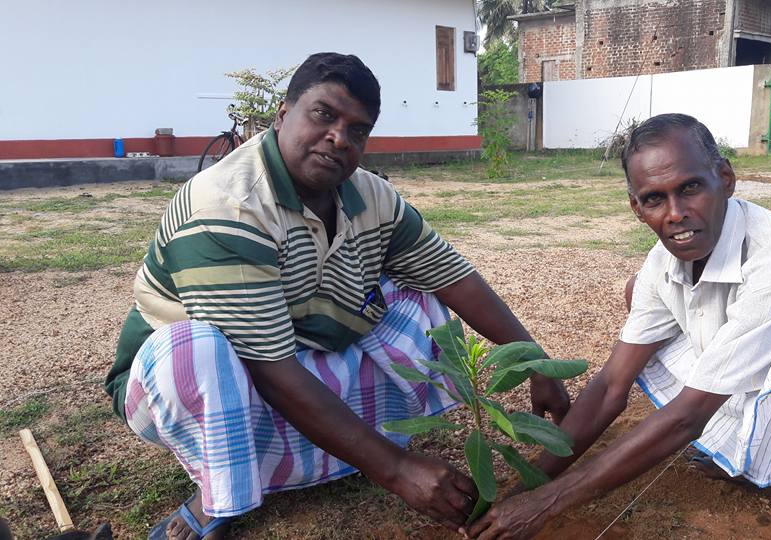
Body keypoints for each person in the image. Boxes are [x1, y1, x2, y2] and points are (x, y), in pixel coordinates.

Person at [104, 52, 571, 540]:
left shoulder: (371, 196)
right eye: (324, 114)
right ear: (283, 114)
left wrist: (535, 362)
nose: (339, 138)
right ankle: (220, 495)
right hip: (182, 382)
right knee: (198, 351)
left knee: (417, 301)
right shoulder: (228, 205)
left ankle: (336, 451)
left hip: (289, 348)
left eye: (357, 130)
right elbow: (268, 366)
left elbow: (453, 277)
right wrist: (396, 470)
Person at [466, 114, 771, 540]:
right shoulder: (662, 263)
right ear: (636, 208)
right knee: (640, 298)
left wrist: (549, 502)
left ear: (726, 180)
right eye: (655, 199)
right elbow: (612, 385)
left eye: (690, 187)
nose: (675, 213)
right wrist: (530, 484)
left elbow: (688, 415)